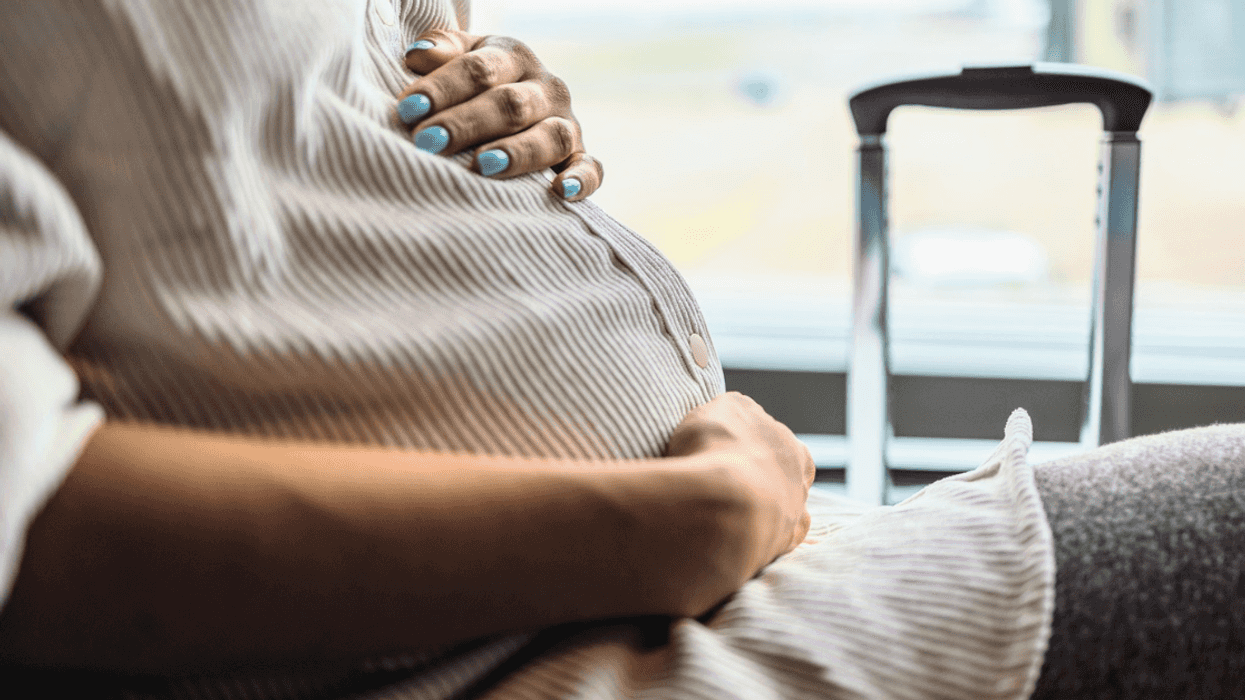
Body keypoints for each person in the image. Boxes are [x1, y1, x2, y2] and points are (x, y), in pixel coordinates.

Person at [0, 2, 1241, 699]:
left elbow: (248, 146)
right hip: (539, 652)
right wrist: (668, 525)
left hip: (688, 581)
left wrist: (461, 83)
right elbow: (27, 524)